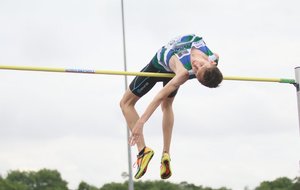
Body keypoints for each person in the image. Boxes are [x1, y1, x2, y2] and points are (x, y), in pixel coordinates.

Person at [120, 34, 223, 180]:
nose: (196, 66)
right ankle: (165, 155)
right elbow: (216, 57)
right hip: (173, 69)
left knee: (126, 103)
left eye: (197, 71)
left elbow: (159, 96)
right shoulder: (213, 57)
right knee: (167, 105)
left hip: (158, 69)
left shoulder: (184, 73)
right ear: (211, 63)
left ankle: (144, 151)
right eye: (200, 66)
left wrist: (141, 122)